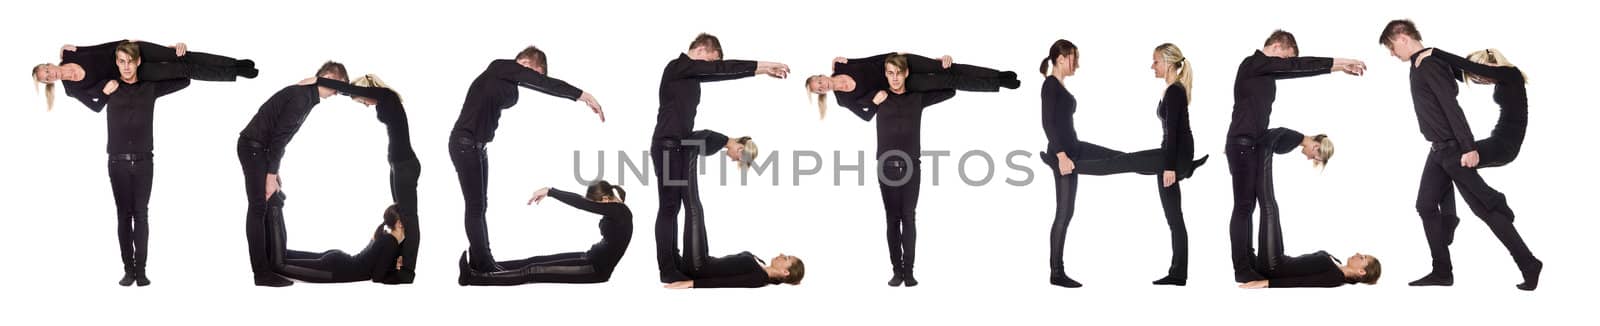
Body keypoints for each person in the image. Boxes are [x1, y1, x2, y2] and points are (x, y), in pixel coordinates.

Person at [1378, 19, 1540, 290]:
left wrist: (1468, 147)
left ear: (1402, 38)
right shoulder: (1422, 64)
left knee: (1483, 208)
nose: (1392, 54)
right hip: (1439, 148)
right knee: (1426, 205)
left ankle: (1525, 257)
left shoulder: (1429, 64)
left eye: (1391, 47)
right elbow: (1461, 73)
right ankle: (1443, 267)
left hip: (1460, 146)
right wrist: (1431, 56)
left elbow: (1451, 107)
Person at [1225, 30, 1366, 282]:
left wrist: (1336, 69)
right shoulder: (1254, 63)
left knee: (1248, 207)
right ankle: (1242, 267)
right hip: (1243, 144)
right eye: (1285, 59)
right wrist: (1340, 63)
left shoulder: (1264, 71)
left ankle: (1250, 261)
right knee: (1244, 208)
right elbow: (1298, 66)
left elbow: (1296, 69)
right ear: (1278, 46)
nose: (1286, 65)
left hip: (1248, 145)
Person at [451, 46, 604, 273]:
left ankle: (483, 259)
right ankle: (483, 263)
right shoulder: (500, 66)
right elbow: (544, 84)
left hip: (478, 147)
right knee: (475, 207)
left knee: (480, 205)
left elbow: (535, 83)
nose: (533, 80)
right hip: (464, 145)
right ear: (525, 62)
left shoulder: (509, 82)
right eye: (535, 73)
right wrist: (583, 96)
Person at [652, 33, 788, 283]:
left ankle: (674, 262)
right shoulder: (678, 66)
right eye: (710, 62)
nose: (710, 68)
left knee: (673, 207)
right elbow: (722, 68)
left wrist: (760, 72)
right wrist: (765, 64)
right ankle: (667, 269)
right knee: (669, 208)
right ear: (702, 51)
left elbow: (724, 72)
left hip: (676, 146)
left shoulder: (689, 74)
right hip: (668, 145)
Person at [237, 61, 349, 287]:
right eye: (339, 85)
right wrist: (270, 174)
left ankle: (274, 262)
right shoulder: (301, 97)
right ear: (327, 76)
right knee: (258, 206)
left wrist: (273, 171)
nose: (338, 92)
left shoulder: (307, 95)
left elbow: (280, 137)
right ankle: (262, 274)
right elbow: (279, 139)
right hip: (253, 147)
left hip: (261, 150)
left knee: (272, 200)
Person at [306, 74, 421, 283]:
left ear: (366, 89)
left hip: (405, 165)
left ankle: (407, 272)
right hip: (399, 164)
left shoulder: (386, 96)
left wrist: (318, 80)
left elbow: (355, 91)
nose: (366, 105)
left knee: (410, 219)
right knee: (402, 214)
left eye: (362, 101)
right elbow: (357, 93)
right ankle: (398, 261)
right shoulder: (384, 100)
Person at [98, 42, 192, 286]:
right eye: (121, 61)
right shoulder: (109, 86)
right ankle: (128, 270)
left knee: (141, 215)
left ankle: (141, 271)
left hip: (144, 163)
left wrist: (173, 54)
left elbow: (184, 79)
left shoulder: (150, 87)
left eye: (130, 61)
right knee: (123, 215)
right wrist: (67, 52)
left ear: (138, 61)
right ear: (116, 63)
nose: (126, 66)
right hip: (117, 163)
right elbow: (77, 85)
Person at [458, 181, 633, 286]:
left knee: (532, 271)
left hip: (595, 270)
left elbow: (581, 204)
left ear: (605, 200)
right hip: (589, 257)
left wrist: (551, 191)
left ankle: (473, 278)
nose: (595, 208)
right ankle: (483, 266)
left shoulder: (621, 212)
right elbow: (583, 202)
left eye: (596, 204)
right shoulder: (616, 210)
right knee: (533, 261)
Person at [32, 39, 255, 112]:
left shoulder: (71, 52)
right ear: (48, 83)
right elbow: (97, 106)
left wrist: (128, 40)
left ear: (50, 64)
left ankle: (234, 63)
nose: (50, 75)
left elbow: (99, 47)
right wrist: (105, 92)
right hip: (130, 71)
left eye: (47, 70)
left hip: (130, 49)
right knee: (183, 70)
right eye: (46, 78)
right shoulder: (72, 90)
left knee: (182, 55)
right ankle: (234, 74)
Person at [804, 52, 1020, 120]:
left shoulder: (842, 65)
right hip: (899, 82)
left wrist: (896, 54)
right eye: (818, 90)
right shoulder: (844, 101)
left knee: (948, 67)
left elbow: (871, 58)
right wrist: (873, 102)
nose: (822, 86)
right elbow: (867, 115)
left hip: (898, 62)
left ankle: (998, 74)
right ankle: (998, 84)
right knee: (949, 80)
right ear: (821, 94)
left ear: (822, 76)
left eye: (819, 82)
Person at [269, 203, 409, 284]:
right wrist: (399, 276)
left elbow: (374, 265)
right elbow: (377, 277)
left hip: (337, 261)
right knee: (279, 265)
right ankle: (274, 206)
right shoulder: (391, 243)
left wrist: (393, 263)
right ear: (399, 223)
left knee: (285, 255)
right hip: (335, 270)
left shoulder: (384, 235)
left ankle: (274, 209)